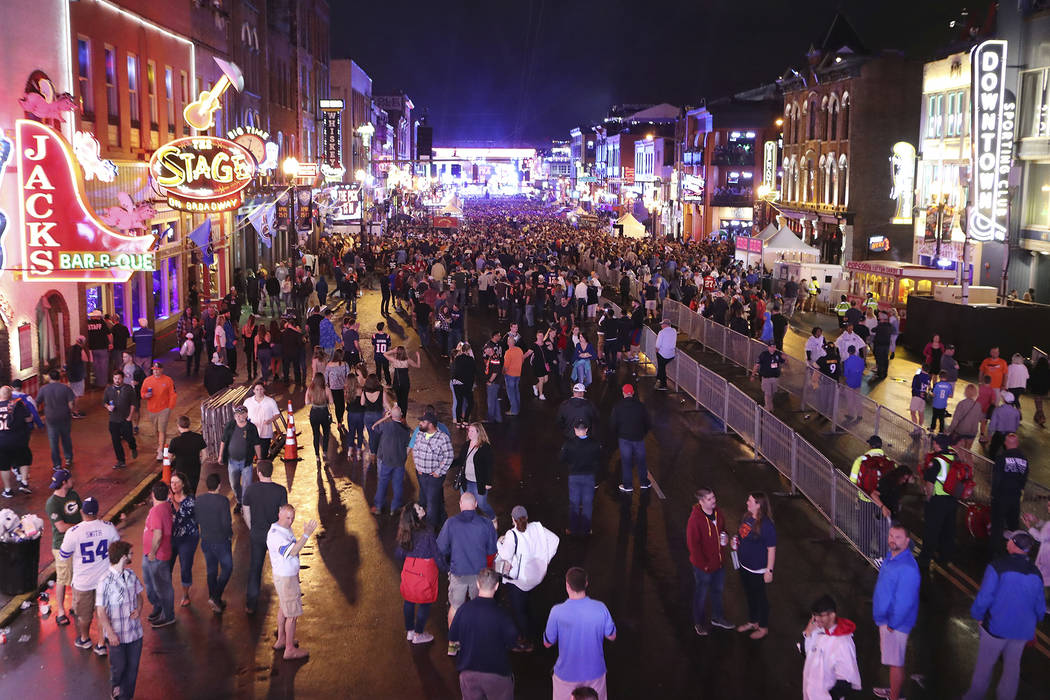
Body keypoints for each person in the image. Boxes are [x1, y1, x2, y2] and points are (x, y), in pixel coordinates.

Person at [961, 532, 1046, 700]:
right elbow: (1039, 606)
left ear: (1013, 544)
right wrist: (1033, 624)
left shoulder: (997, 566)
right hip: (1022, 631)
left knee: (984, 667)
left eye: (1009, 540)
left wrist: (977, 615)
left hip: (996, 628)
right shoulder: (1036, 573)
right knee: (1012, 669)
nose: (1007, 542)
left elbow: (985, 598)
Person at [437, 491, 499, 657]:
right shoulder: (486, 524)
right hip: (479, 575)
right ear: (476, 505)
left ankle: (453, 643)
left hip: (458, 573)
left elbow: (441, 549)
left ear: (460, 504)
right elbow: (492, 549)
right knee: (478, 608)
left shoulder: (451, 523)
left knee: (455, 607)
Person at [544, 567, 617, 700]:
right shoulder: (600, 608)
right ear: (586, 583)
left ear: (567, 585)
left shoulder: (557, 612)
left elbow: (547, 643)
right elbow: (612, 636)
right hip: (595, 672)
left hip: (566, 675)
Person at [496, 505, 560, 652]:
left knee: (518, 611)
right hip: (535, 576)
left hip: (519, 580)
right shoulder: (537, 527)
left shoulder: (511, 535)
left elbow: (505, 556)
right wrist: (546, 559)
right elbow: (555, 540)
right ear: (527, 517)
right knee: (526, 601)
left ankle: (525, 640)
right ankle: (531, 625)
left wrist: (499, 543)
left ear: (513, 519)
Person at [449, 567, 518, 700]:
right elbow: (512, 641)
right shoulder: (502, 615)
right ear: (497, 586)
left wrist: (460, 654)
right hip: (497, 673)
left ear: (478, 584)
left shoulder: (463, 610)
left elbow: (453, 637)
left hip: (468, 672)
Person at [871, 523, 920, 700]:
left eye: (898, 537)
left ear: (907, 541)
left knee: (896, 663)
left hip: (894, 624)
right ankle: (894, 691)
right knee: (894, 661)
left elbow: (904, 602)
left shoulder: (908, 568)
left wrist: (892, 624)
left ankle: (895, 696)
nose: (892, 540)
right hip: (887, 620)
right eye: (891, 536)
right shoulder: (891, 557)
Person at [266, 504, 319, 660]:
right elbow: (293, 551)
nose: (290, 521)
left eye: (292, 518)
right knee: (293, 615)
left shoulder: (280, 529)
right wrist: (306, 535)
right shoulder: (277, 536)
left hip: (285, 576)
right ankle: (289, 649)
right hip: (286, 578)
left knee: (284, 608)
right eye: (288, 517)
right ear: (279, 514)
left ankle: (282, 639)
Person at [95, 540, 145, 699]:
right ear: (123, 557)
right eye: (130, 554)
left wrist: (138, 609)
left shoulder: (131, 575)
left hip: (135, 633)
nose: (132, 556)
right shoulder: (105, 581)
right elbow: (101, 611)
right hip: (117, 635)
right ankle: (116, 688)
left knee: (132, 668)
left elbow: (139, 596)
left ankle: (126, 696)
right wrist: (110, 633)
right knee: (119, 667)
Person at [686, 488, 733, 636]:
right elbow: (693, 546)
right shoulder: (695, 520)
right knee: (701, 594)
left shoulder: (718, 513)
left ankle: (717, 618)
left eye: (713, 497)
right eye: (709, 499)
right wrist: (704, 565)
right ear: (701, 502)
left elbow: (723, 529)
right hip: (703, 567)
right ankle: (698, 623)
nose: (714, 501)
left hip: (718, 564)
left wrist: (725, 535)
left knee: (717, 592)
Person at [244, 459, 288, 614]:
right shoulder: (281, 491)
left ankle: (250, 604)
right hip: (275, 535)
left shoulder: (250, 489)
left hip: (257, 533)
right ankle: (285, 602)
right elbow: (284, 515)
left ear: (259, 473)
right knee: (281, 569)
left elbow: (246, 512)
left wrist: (252, 528)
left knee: (255, 568)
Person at [395, 502, 442, 644]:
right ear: (415, 516)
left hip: (409, 570)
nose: (423, 508)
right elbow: (436, 554)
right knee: (424, 602)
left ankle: (409, 631)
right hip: (425, 571)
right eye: (419, 508)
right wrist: (445, 567)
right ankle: (418, 633)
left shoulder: (404, 532)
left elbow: (399, 553)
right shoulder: (427, 531)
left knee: (408, 601)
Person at [800, 595, 862, 700]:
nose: (816, 619)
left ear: (832, 615)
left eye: (820, 615)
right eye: (814, 615)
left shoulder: (843, 642)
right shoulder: (818, 632)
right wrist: (808, 632)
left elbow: (846, 680)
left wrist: (831, 696)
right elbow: (805, 652)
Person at [735, 492, 777, 640]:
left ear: (758, 505)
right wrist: (736, 542)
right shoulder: (747, 517)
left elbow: (771, 549)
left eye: (750, 500)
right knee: (750, 596)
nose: (747, 502)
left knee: (760, 599)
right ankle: (753, 621)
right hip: (744, 567)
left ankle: (763, 627)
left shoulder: (766, 525)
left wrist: (769, 571)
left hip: (757, 570)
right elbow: (741, 536)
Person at [46, 470, 82, 627]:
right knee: (63, 578)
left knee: (76, 575)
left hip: (77, 543)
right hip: (62, 546)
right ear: (64, 483)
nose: (73, 480)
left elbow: (81, 513)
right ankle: (61, 611)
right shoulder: (52, 503)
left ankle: (75, 605)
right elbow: (61, 527)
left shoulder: (73, 495)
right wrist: (80, 528)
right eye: (70, 478)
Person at [919, 433, 959, 571]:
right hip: (952, 500)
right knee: (948, 529)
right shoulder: (954, 457)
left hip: (938, 500)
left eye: (934, 442)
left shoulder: (937, 461)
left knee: (931, 530)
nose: (933, 444)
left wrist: (928, 498)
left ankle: (924, 559)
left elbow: (930, 483)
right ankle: (944, 557)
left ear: (937, 444)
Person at [195, 473, 234, 613]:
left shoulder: (199, 500)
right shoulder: (223, 501)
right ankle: (216, 596)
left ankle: (215, 600)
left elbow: (197, 519)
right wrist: (229, 535)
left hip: (206, 539)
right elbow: (226, 522)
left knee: (211, 570)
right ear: (219, 485)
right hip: (221, 541)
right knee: (227, 567)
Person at [412, 409, 455, 530]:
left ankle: (430, 531)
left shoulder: (442, 438)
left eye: (423, 422)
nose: (420, 423)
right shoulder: (420, 434)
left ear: (430, 424)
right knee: (428, 498)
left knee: (431, 503)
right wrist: (417, 466)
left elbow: (449, 456)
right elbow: (415, 449)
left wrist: (438, 471)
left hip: (434, 477)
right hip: (421, 474)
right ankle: (441, 519)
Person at [141, 482, 175, 629]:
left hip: (156, 556)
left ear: (153, 494)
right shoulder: (166, 506)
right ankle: (159, 607)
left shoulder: (157, 511)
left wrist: (153, 553)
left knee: (162, 587)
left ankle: (168, 615)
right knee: (151, 584)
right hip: (151, 554)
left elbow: (158, 535)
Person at [560, 418, 602, 536]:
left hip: (574, 477)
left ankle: (573, 529)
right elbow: (599, 458)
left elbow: (561, 458)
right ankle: (586, 529)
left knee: (574, 503)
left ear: (575, 430)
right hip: (589, 477)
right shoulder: (595, 444)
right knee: (588, 504)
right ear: (586, 430)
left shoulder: (569, 444)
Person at [219, 405, 263, 512]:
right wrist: (220, 455)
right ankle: (239, 501)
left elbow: (257, 444)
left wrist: (259, 458)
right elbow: (223, 441)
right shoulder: (230, 426)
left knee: (247, 485)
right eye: (237, 414)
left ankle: (245, 505)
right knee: (234, 484)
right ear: (234, 416)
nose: (239, 416)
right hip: (232, 461)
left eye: (242, 414)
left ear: (246, 414)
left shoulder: (251, 428)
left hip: (246, 462)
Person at [990, 433, 1029, 550]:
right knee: (1013, 526)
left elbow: (997, 479)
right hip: (1015, 498)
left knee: (997, 525)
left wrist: (993, 494)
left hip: (1001, 497)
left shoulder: (1002, 458)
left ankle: (994, 552)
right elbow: (1024, 479)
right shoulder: (1024, 460)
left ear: (1006, 444)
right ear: (1017, 444)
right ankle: (1015, 549)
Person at [370, 405, 412, 515]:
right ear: (401, 416)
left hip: (386, 460)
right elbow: (409, 445)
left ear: (391, 415)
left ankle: (378, 506)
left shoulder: (386, 426)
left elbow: (374, 427)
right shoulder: (406, 430)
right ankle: (395, 508)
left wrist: (385, 417)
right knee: (398, 484)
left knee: (382, 483)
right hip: (399, 462)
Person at [609, 384, 651, 492]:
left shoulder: (618, 406)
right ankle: (644, 482)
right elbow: (647, 423)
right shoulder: (641, 406)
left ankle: (628, 485)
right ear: (632, 393)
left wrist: (617, 434)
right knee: (641, 461)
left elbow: (613, 424)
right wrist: (643, 433)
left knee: (626, 462)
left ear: (623, 393)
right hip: (638, 438)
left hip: (624, 438)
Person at [168, 472, 199, 608]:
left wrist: (173, 500)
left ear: (183, 484)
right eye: (172, 482)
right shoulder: (168, 499)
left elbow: (181, 514)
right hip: (172, 537)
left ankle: (185, 594)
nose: (173, 485)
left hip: (188, 538)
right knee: (166, 565)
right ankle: (166, 592)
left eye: (176, 482)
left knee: (185, 566)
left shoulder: (190, 500)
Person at [36, 369, 76, 470]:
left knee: (53, 441)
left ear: (49, 377)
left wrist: (39, 416)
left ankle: (57, 464)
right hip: (64, 417)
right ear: (59, 377)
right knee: (66, 438)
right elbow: (71, 404)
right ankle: (68, 458)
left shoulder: (44, 389)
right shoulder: (66, 388)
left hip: (51, 419)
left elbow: (37, 402)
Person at [457, 422, 496, 523]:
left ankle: (493, 518)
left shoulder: (485, 447)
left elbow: (489, 465)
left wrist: (488, 482)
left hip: (478, 482)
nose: (469, 433)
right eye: (469, 430)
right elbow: (460, 460)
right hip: (466, 480)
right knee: (466, 504)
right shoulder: (466, 445)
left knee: (482, 504)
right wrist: (446, 464)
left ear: (479, 433)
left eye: (472, 431)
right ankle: (470, 521)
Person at [140, 362, 177, 462]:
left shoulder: (168, 380)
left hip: (164, 409)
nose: (155, 371)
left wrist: (170, 407)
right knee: (156, 430)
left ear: (162, 370)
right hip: (152, 409)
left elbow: (173, 394)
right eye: (154, 370)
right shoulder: (148, 380)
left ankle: (160, 450)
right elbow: (142, 392)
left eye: (157, 369)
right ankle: (160, 445)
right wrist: (145, 396)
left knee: (161, 429)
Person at [0, 385, 32, 497]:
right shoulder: (17, 404)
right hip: (18, 439)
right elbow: (28, 418)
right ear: (10, 395)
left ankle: (8, 490)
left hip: (2, 442)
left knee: (4, 466)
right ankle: (24, 482)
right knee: (24, 460)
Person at [102, 370, 138, 471]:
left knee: (128, 436)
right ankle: (121, 460)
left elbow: (133, 403)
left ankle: (133, 446)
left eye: (119, 378)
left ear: (122, 378)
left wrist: (130, 416)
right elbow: (104, 402)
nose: (117, 380)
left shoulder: (128, 389)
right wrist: (108, 407)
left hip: (125, 418)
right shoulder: (109, 389)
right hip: (113, 419)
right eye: (115, 378)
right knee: (115, 440)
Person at [167, 416, 207, 496]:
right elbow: (205, 454)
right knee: (192, 490)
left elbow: (169, 457)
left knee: (182, 492)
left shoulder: (175, 441)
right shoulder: (198, 437)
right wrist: (200, 462)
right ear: (189, 424)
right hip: (195, 468)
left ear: (178, 426)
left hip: (181, 469)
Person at [245, 382, 282, 456]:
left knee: (263, 454)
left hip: (265, 432)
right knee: (250, 454)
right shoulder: (248, 402)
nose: (259, 391)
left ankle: (262, 465)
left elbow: (277, 414)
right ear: (254, 391)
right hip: (252, 433)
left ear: (264, 390)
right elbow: (243, 414)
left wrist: (270, 420)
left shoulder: (270, 401)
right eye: (257, 389)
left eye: (261, 389)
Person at [305, 373, 332, 466]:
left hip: (314, 412)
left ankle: (317, 455)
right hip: (324, 412)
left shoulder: (310, 389)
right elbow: (331, 402)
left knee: (316, 434)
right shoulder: (326, 389)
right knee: (326, 433)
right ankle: (324, 452)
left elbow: (307, 402)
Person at [386, 346, 422, 418]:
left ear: (397, 353)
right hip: (405, 383)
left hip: (397, 383)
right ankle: (404, 417)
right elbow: (418, 366)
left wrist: (393, 351)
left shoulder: (394, 360)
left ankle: (398, 416)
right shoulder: (407, 360)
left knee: (398, 400)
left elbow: (384, 354)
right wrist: (418, 356)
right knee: (404, 400)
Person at [751, 340, 784, 413]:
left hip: (775, 378)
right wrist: (753, 375)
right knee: (767, 393)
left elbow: (783, 361)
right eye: (771, 347)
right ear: (768, 347)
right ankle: (768, 408)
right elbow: (757, 365)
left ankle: (769, 406)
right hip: (766, 378)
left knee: (772, 393)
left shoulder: (778, 354)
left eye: (774, 347)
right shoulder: (763, 355)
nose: (772, 348)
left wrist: (785, 358)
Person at [947, 384, 982, 450]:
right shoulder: (978, 405)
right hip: (972, 432)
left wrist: (949, 430)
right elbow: (979, 419)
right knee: (968, 452)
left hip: (960, 431)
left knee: (958, 451)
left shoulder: (961, 404)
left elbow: (955, 420)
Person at [451, 343, 477, 426]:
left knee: (459, 402)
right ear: (468, 350)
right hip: (466, 384)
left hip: (456, 383)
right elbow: (473, 372)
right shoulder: (470, 359)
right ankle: (465, 420)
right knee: (470, 402)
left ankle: (458, 421)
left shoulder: (457, 359)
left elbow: (454, 370)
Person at [86, 309, 113, 387]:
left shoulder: (88, 323)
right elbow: (109, 335)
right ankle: (103, 383)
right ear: (98, 317)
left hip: (92, 348)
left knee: (96, 366)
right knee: (104, 366)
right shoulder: (102, 323)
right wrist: (110, 344)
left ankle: (97, 382)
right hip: (102, 347)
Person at [841, 345, 864, 420]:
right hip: (858, 382)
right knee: (858, 399)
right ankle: (860, 414)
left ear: (848, 352)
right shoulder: (861, 360)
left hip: (849, 383)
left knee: (850, 399)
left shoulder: (847, 361)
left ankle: (851, 414)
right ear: (855, 351)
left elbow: (846, 374)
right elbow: (862, 369)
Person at [503, 334, 524, 416]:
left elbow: (506, 366)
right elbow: (522, 360)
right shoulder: (519, 350)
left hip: (510, 375)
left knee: (511, 393)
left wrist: (503, 373)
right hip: (518, 374)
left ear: (508, 343)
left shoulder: (508, 353)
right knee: (516, 391)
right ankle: (517, 407)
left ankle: (514, 410)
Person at [654, 318, 676, 391]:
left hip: (663, 354)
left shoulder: (661, 332)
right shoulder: (674, 331)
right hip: (671, 354)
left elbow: (657, 345)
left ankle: (662, 383)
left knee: (661, 368)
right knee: (662, 367)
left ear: (665, 325)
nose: (661, 326)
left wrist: (656, 351)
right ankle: (659, 379)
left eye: (662, 324)